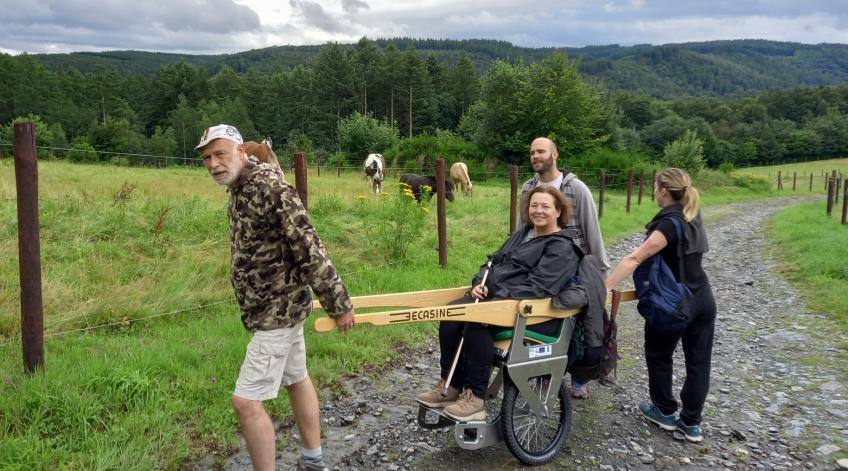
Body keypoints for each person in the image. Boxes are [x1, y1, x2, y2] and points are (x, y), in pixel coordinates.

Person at [197, 124, 356, 471]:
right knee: (297, 379)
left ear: (241, 151)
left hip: (278, 313)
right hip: (268, 309)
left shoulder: (271, 188)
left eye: (220, 153)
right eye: (207, 157)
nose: (213, 163)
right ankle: (313, 460)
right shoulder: (239, 190)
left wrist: (338, 303)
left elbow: (309, 247)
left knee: (245, 402)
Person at [415, 185, 582, 421]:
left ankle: (475, 399)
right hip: (498, 297)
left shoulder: (562, 247)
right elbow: (492, 262)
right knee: (451, 314)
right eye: (534, 205)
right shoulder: (523, 235)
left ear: (558, 212)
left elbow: (540, 287)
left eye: (545, 206)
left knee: (476, 321)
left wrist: (497, 296)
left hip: (532, 311)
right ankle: (451, 385)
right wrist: (478, 282)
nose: (538, 211)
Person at [604, 168, 714, 443]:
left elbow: (635, 258)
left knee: (658, 353)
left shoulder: (668, 224)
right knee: (699, 362)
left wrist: (603, 288)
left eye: (655, 186)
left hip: (674, 302)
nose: (654, 191)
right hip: (703, 299)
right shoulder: (693, 214)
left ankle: (664, 411)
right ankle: (691, 423)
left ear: (663, 190)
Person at [520, 136, 610, 399]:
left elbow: (592, 230)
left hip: (573, 266)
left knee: (579, 325)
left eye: (540, 151)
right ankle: (539, 371)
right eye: (532, 152)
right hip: (538, 265)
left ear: (554, 155)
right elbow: (521, 230)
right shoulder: (528, 187)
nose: (535, 156)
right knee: (538, 320)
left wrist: (600, 275)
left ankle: (579, 376)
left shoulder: (576, 188)